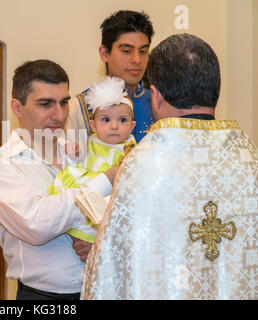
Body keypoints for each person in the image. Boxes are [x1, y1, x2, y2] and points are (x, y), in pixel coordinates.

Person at [82, 33, 258, 299]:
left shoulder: (142, 164)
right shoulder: (250, 161)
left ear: (156, 96)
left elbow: (112, 268)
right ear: (218, 91)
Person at [0, 59, 119, 300]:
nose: (59, 115)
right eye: (45, 104)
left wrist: (102, 246)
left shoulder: (86, 154)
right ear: (17, 107)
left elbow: (119, 213)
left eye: (64, 102)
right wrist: (105, 180)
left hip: (103, 288)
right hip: (44, 297)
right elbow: (37, 224)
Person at [49, 76, 136, 243]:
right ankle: (82, 236)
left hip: (115, 199)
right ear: (93, 126)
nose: (114, 126)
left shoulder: (133, 149)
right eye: (106, 120)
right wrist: (73, 151)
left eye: (122, 120)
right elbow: (77, 157)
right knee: (72, 187)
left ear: (132, 126)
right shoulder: (89, 142)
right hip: (91, 190)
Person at [66, 10, 154, 153]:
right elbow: (71, 166)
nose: (137, 60)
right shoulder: (78, 107)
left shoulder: (159, 104)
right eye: (126, 51)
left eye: (143, 51)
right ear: (104, 53)